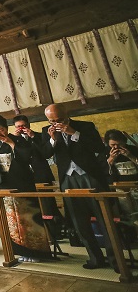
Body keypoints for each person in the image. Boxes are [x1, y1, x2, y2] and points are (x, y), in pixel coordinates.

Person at [40, 104, 116, 270]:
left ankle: (115, 260)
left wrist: (73, 133)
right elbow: (45, 154)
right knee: (79, 221)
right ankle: (96, 259)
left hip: (90, 176)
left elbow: (98, 147)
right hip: (67, 179)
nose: (55, 123)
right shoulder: (46, 130)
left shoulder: (85, 126)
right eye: (51, 121)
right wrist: (52, 139)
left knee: (105, 219)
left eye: (58, 120)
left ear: (66, 114)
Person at [0, 115, 50, 262]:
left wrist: (12, 143)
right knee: (12, 223)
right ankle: (19, 252)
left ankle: (38, 253)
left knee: (29, 219)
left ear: (6, 127)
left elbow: (28, 157)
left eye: (2, 129)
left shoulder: (18, 139)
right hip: (4, 186)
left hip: (21, 184)